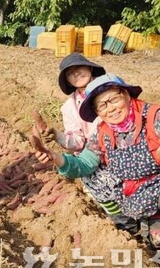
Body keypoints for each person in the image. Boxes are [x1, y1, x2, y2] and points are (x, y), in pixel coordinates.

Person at [35, 73, 160, 268]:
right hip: (139, 193)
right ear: (97, 112)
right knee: (92, 177)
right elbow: (84, 164)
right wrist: (56, 157)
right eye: (102, 105)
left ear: (127, 95)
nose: (110, 108)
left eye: (114, 99)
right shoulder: (102, 131)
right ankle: (128, 229)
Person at [39, 54, 132, 230]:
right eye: (70, 73)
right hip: (95, 154)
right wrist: (58, 136)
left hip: (126, 147)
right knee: (95, 184)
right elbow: (78, 142)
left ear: (90, 68)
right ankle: (124, 223)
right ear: (67, 80)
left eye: (79, 68)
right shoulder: (69, 107)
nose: (76, 74)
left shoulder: (111, 87)